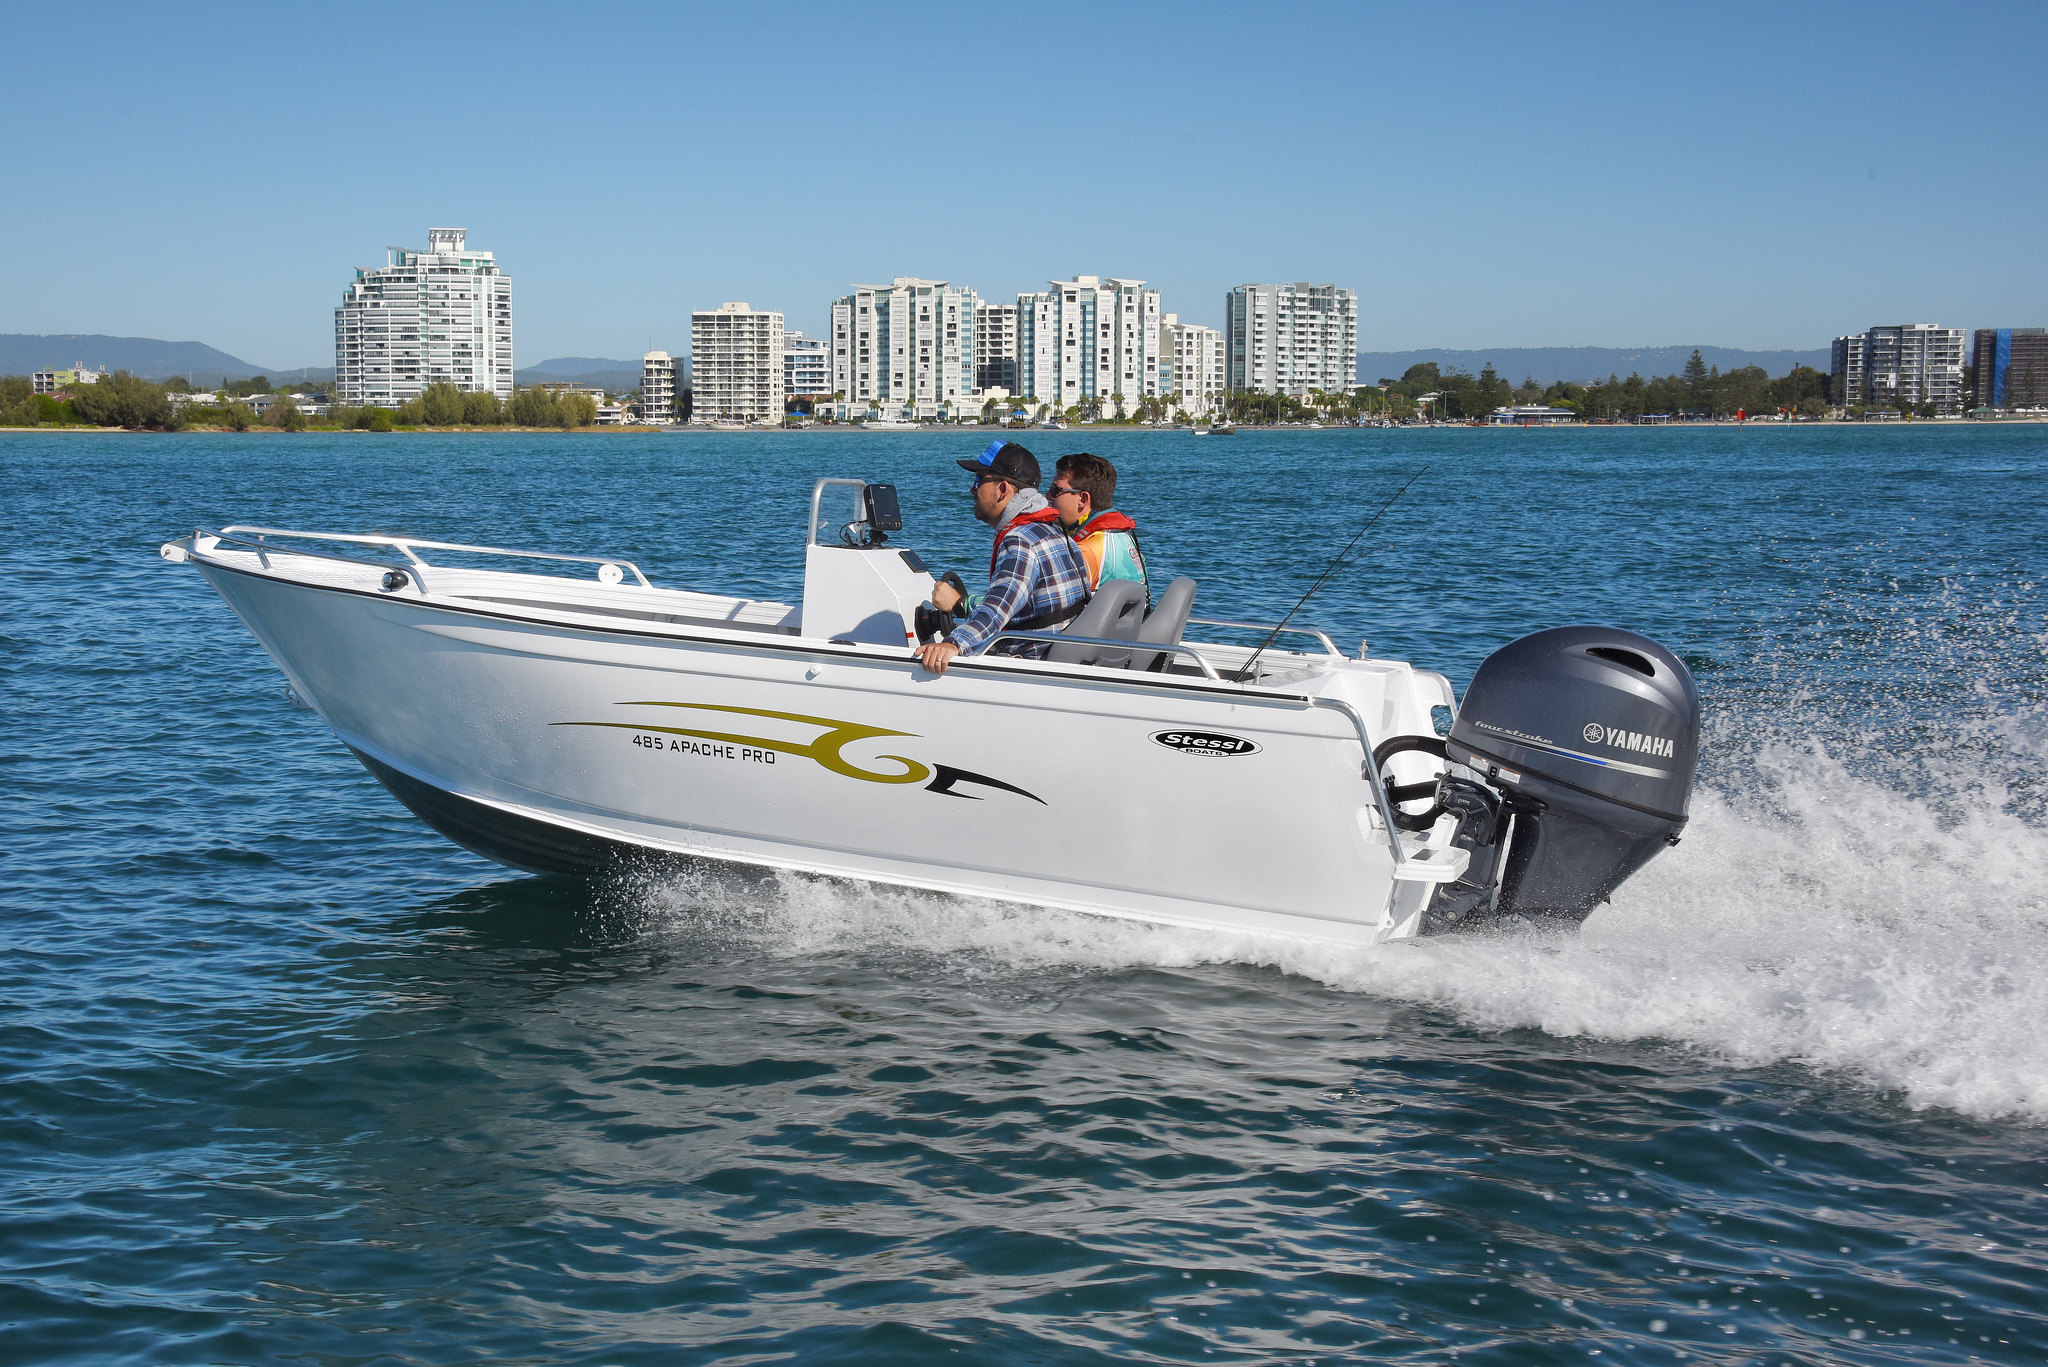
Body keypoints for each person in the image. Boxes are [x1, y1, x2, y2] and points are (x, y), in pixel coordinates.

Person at [915, 440, 1089, 675]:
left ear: (1003, 489)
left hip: (1026, 666)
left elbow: (998, 608)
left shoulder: (1020, 539)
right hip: (1057, 655)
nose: (971, 490)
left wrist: (953, 643)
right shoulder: (1054, 529)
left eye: (978, 481)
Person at [1048, 452, 1147, 601]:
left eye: (1056, 490)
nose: (1047, 496)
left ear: (1082, 498)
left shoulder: (1087, 552)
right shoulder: (1127, 538)